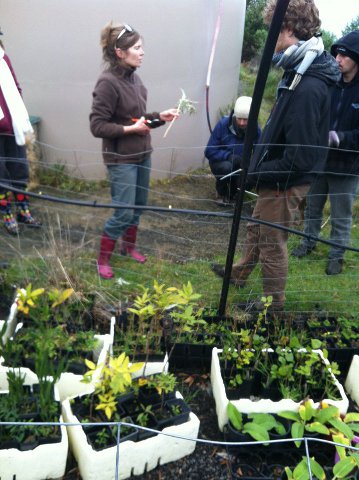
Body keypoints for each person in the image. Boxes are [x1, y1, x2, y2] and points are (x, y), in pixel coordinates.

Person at [212, 0, 341, 312]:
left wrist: (256, 172)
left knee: (272, 242)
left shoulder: (309, 85)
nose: (270, 36)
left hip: (285, 180)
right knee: (257, 228)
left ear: (287, 29)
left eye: (273, 29)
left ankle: (272, 306)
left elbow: (300, 157)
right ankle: (240, 273)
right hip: (276, 173)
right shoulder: (301, 68)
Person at [90, 22, 179, 279]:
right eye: (137, 48)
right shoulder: (107, 83)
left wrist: (160, 117)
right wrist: (131, 130)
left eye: (142, 47)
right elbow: (98, 126)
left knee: (138, 207)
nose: (142, 52)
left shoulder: (136, 80)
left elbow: (137, 119)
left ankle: (128, 248)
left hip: (143, 155)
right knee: (124, 211)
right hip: (121, 160)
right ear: (120, 52)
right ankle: (103, 259)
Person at [291, 30, 359, 276]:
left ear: (356, 60)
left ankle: (336, 256)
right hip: (320, 160)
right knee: (312, 206)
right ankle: (308, 242)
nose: (338, 59)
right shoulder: (330, 83)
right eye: (337, 54)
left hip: (347, 165)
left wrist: (340, 137)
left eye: (344, 56)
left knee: (341, 214)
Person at [0, 28, 40, 235]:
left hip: (13, 125)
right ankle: (7, 214)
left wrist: (17, 113)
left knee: (18, 168)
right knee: (1, 174)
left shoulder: (3, 58)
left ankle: (23, 210)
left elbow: (15, 87)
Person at [205, 96, 261, 206]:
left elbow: (259, 152)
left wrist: (251, 167)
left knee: (250, 174)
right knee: (226, 168)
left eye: (245, 119)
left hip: (241, 165)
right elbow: (209, 151)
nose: (241, 123)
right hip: (222, 162)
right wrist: (228, 156)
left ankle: (235, 194)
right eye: (239, 118)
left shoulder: (256, 131)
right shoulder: (223, 125)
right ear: (234, 115)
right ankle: (221, 193)